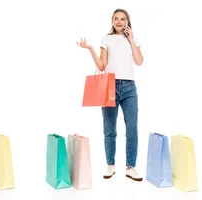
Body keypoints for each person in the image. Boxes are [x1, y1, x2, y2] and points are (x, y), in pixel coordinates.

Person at [76, 8, 144, 181]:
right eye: (116, 18)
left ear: (127, 21)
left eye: (123, 19)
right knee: (109, 129)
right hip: (109, 86)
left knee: (132, 129)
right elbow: (102, 66)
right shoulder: (106, 39)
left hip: (129, 88)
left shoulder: (133, 39)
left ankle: (130, 167)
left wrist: (131, 40)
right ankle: (110, 165)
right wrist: (90, 48)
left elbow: (139, 61)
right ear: (112, 21)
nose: (119, 21)